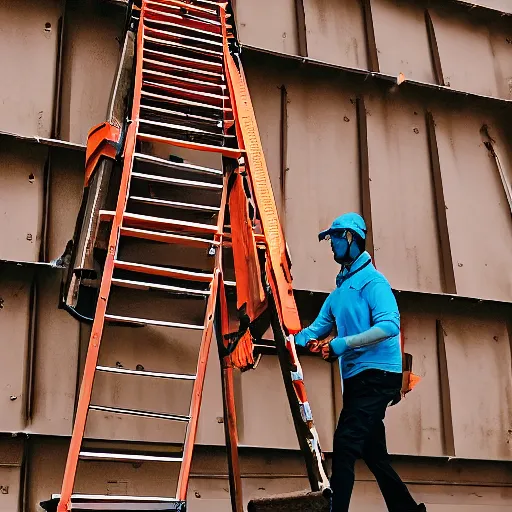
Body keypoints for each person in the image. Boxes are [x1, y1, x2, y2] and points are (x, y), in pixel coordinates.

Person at [294, 213, 426, 512]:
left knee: (345, 444)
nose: (332, 245)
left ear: (352, 238)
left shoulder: (373, 282)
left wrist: (342, 343)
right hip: (357, 380)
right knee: (373, 453)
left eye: (337, 238)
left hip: (379, 376)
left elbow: (390, 325)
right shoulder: (340, 292)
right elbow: (314, 330)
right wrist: (292, 341)